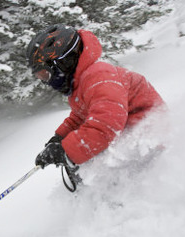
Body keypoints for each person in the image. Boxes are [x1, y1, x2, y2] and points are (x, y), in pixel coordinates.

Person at [26, 24, 165, 172]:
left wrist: (65, 151)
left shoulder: (100, 77)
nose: (46, 82)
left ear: (63, 62)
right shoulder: (83, 82)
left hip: (150, 144)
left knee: (96, 172)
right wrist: (59, 137)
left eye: (45, 75)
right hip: (131, 141)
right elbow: (81, 116)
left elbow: (105, 125)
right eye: (40, 77)